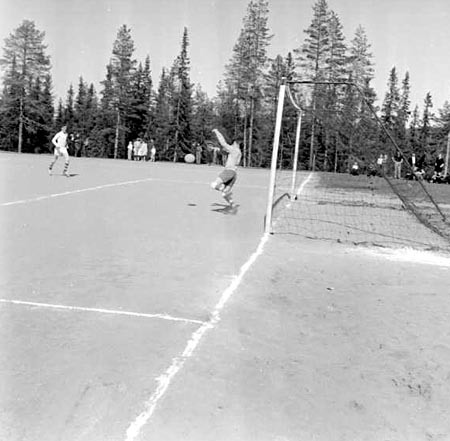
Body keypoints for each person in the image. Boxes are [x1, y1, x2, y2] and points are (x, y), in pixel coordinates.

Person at [210, 128, 242, 207]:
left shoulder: (233, 149)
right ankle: (233, 205)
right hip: (234, 174)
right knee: (224, 194)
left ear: (234, 142)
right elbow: (236, 162)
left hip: (228, 172)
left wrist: (217, 132)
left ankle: (223, 190)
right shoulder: (238, 152)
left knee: (214, 185)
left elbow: (223, 143)